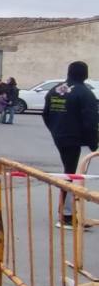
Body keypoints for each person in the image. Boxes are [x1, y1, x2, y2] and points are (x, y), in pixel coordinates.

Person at [43, 61, 99, 228]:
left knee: (70, 173)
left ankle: (67, 212)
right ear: (85, 74)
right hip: (75, 139)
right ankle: (66, 216)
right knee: (71, 175)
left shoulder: (55, 90)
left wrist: (55, 130)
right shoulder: (85, 93)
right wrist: (93, 144)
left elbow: (46, 114)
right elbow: (91, 122)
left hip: (61, 136)